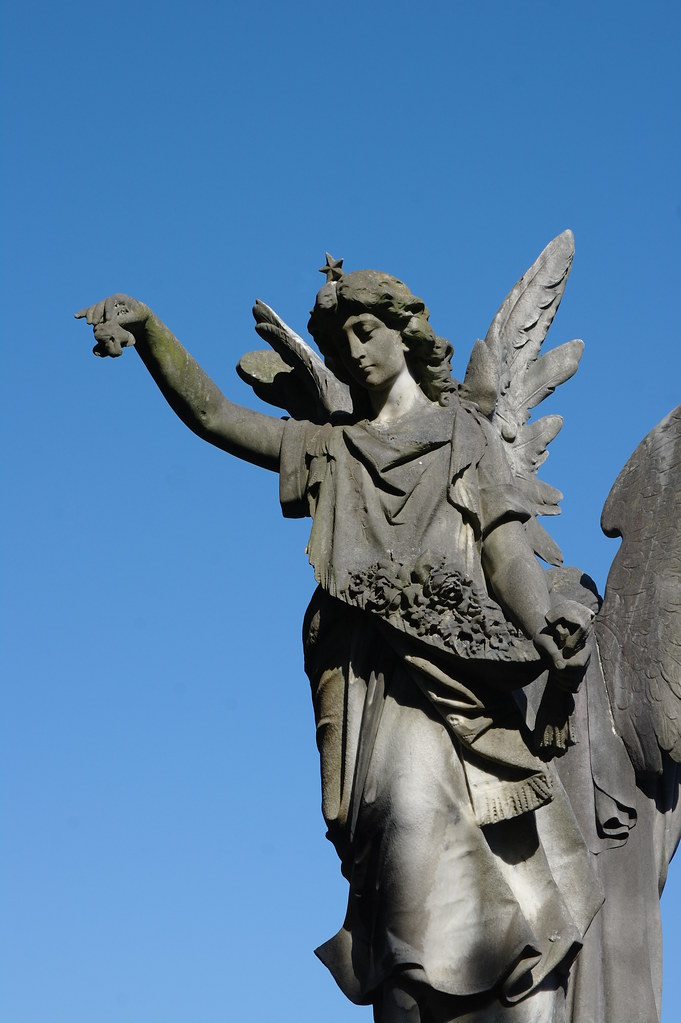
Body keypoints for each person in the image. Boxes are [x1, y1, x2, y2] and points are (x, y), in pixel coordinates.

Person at [77, 270, 601, 1023]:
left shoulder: (463, 438)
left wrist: (543, 611)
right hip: (364, 679)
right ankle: (420, 977)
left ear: (405, 332)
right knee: (392, 830)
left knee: (419, 814)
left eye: (366, 332)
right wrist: (153, 331)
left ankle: (443, 978)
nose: (352, 350)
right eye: (340, 339)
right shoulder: (332, 449)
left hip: (449, 676)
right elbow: (217, 415)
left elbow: (504, 550)